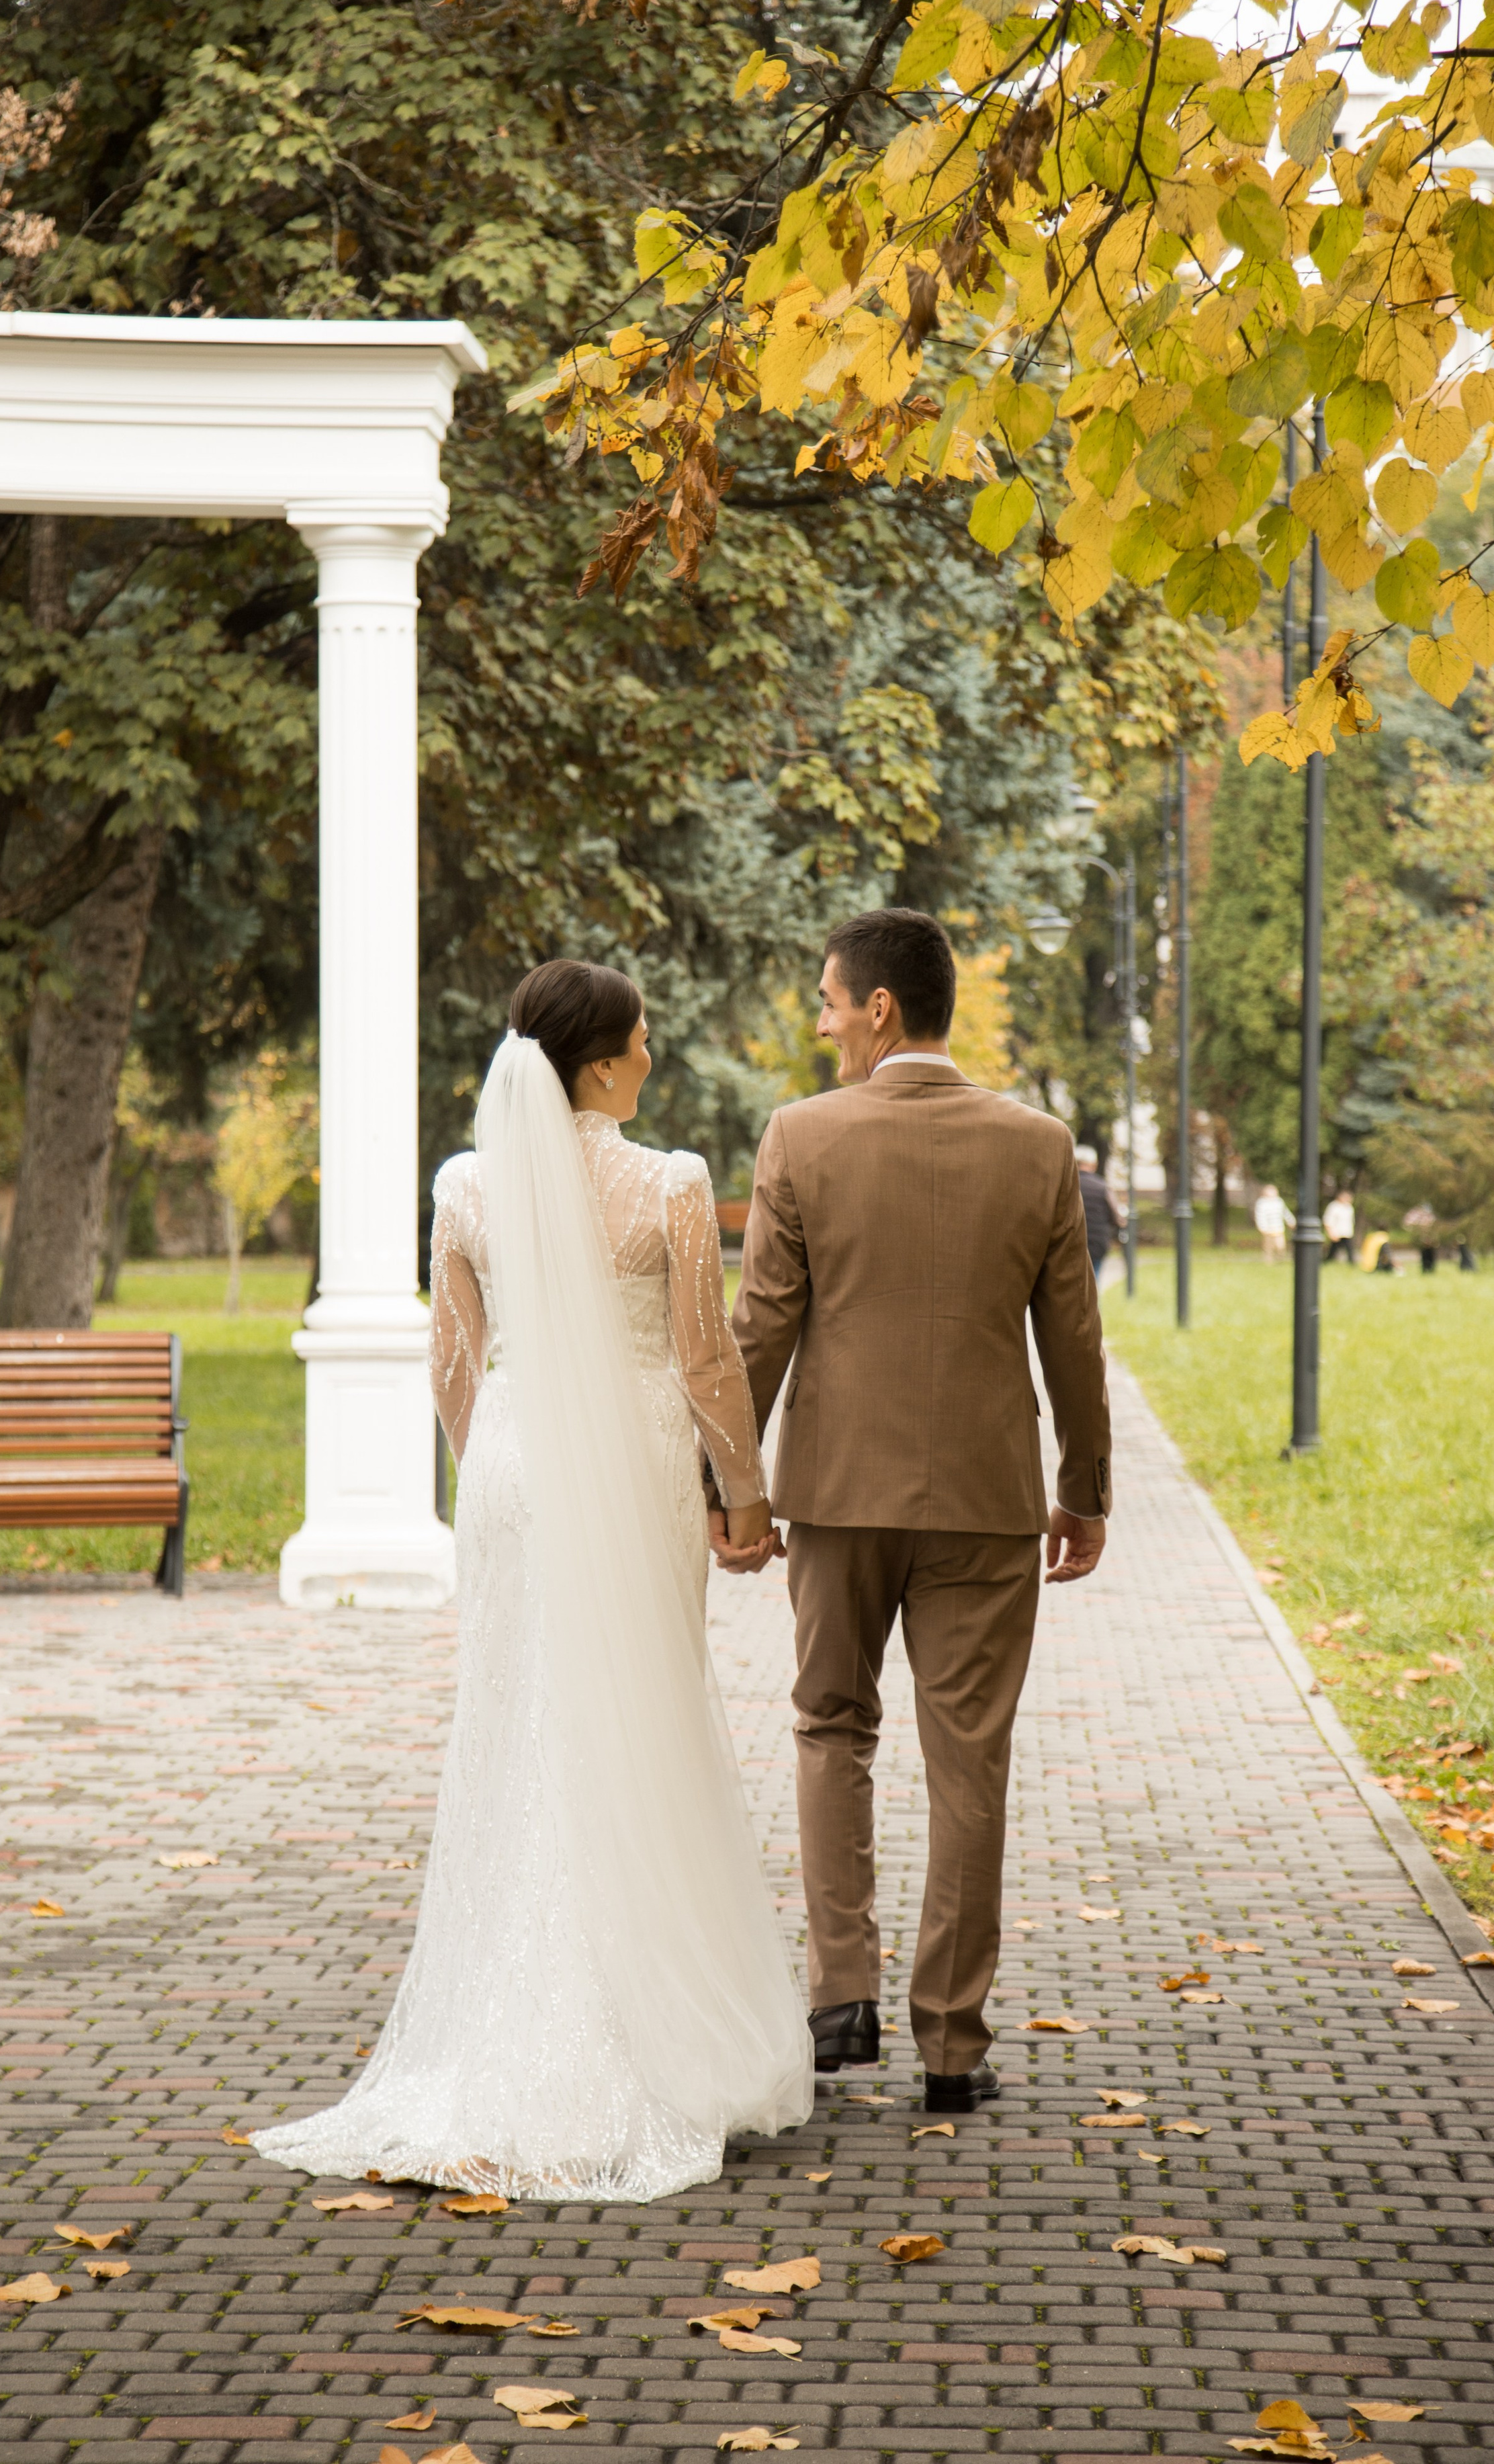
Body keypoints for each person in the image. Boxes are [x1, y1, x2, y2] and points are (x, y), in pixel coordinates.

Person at [250, 960, 811, 2201]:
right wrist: (747, 1493)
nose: (654, 1057)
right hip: (638, 1454)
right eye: (644, 1040)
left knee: (515, 1725)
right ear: (601, 1062)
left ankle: (492, 2039)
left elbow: (457, 1362)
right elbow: (706, 1358)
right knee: (640, 1714)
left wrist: (496, 1467)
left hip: (510, 1468)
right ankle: (638, 2037)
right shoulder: (668, 1184)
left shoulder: (464, 1186)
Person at [726, 908, 1110, 2117]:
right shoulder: (1040, 1146)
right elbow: (1075, 1344)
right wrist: (1083, 1490)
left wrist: (734, 1491)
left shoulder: (800, 1136)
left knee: (830, 1725)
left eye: (830, 999)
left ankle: (841, 1994)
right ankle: (952, 2043)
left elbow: (763, 1331)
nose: (824, 1019)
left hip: (836, 1496)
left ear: (880, 1006)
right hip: (990, 1503)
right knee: (969, 1762)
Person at [1074, 1143, 1124, 1282]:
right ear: (1094, 1165)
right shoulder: (1103, 1187)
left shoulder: (1068, 1185)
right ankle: (1093, 1302)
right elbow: (1117, 1217)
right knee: (1094, 1281)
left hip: (1072, 1243)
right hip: (1098, 1243)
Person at [1253, 1182, 1294, 1262]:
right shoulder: (1262, 1203)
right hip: (1268, 1229)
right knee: (1268, 1246)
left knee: (1280, 1246)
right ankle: (1269, 1261)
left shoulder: (1279, 1202)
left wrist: (1291, 1221)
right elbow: (1260, 1216)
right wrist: (1262, 1227)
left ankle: (1280, 1258)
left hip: (1278, 1228)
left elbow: (1285, 1213)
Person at [1323, 1187, 1356, 1264]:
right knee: (1333, 1250)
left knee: (1349, 1250)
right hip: (1337, 1232)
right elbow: (1328, 1221)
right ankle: (1327, 1262)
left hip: (1347, 1233)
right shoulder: (1334, 1206)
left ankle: (1352, 1263)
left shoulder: (1349, 1207)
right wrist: (1331, 1233)